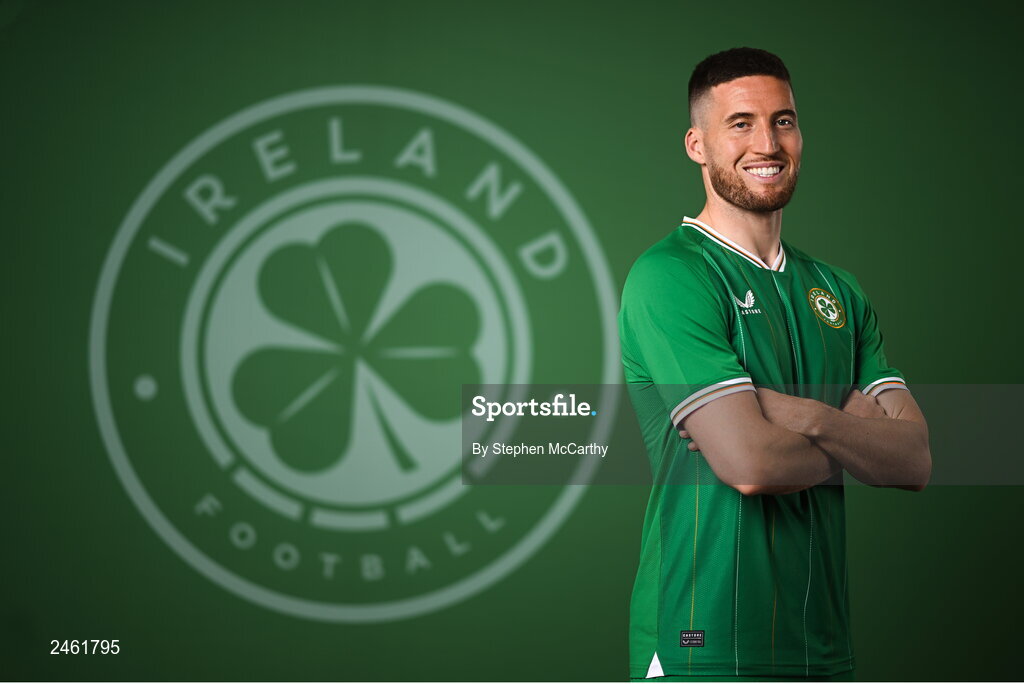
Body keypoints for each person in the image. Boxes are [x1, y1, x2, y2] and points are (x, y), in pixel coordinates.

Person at [618, 47, 931, 681]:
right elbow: (752, 464)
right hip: (698, 644)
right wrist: (855, 434)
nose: (767, 142)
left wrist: (804, 416)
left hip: (819, 645)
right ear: (696, 145)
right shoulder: (671, 276)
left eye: (783, 120)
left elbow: (914, 459)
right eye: (740, 123)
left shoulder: (839, 292)